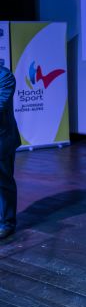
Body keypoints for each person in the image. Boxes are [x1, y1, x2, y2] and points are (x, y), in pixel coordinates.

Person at [0, 65, 21, 239]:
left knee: (3, 183)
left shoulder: (5, 76)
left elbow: (1, 104)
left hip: (2, 140)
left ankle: (7, 223)